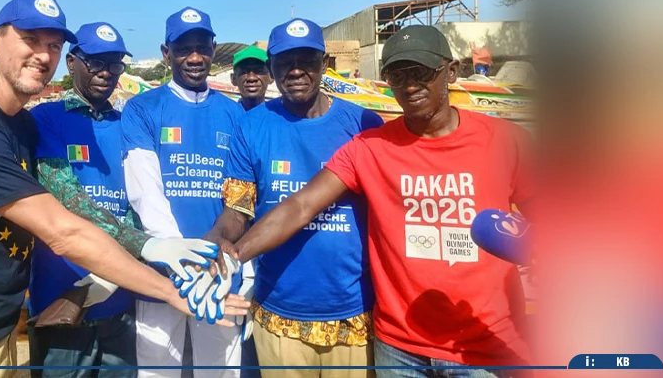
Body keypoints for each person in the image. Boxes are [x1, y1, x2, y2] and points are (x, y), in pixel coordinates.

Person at [0, 0, 245, 378]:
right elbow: (64, 225)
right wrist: (168, 278)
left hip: (1, 329)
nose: (43, 55)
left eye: (52, 45)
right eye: (30, 39)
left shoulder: (22, 125)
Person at [226, 25, 534, 377]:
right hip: (401, 348)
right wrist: (228, 257)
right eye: (397, 75)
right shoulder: (370, 146)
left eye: (421, 72)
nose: (410, 85)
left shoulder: (507, 141)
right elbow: (300, 206)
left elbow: (553, 220)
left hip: (484, 345)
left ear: (450, 71)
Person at [205, 19, 383, 378]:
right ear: (272, 68)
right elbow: (238, 208)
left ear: (324, 63)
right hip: (280, 311)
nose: (297, 71)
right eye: (286, 61)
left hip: (353, 311)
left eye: (307, 60)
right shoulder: (252, 125)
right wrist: (218, 238)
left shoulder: (364, 124)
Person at [121, 7, 248, 377]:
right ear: (166, 53)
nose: (195, 57)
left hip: (220, 271)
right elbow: (145, 192)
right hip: (161, 272)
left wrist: (232, 265)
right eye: (183, 48)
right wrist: (182, 262)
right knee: (157, 371)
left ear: (212, 50)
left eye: (202, 47)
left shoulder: (235, 113)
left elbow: (241, 196)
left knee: (221, 372)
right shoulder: (142, 108)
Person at [27, 22, 141, 376]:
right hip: (61, 298)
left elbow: (139, 203)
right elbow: (64, 195)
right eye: (96, 62)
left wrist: (113, 274)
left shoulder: (130, 125)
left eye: (115, 64)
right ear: (72, 63)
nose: (106, 73)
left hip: (118, 298)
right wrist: (136, 247)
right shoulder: (45, 118)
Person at [230, 46, 272, 111]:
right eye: (244, 71)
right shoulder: (226, 117)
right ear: (233, 79)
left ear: (271, 77)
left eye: (259, 71)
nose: (251, 78)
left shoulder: (281, 118)